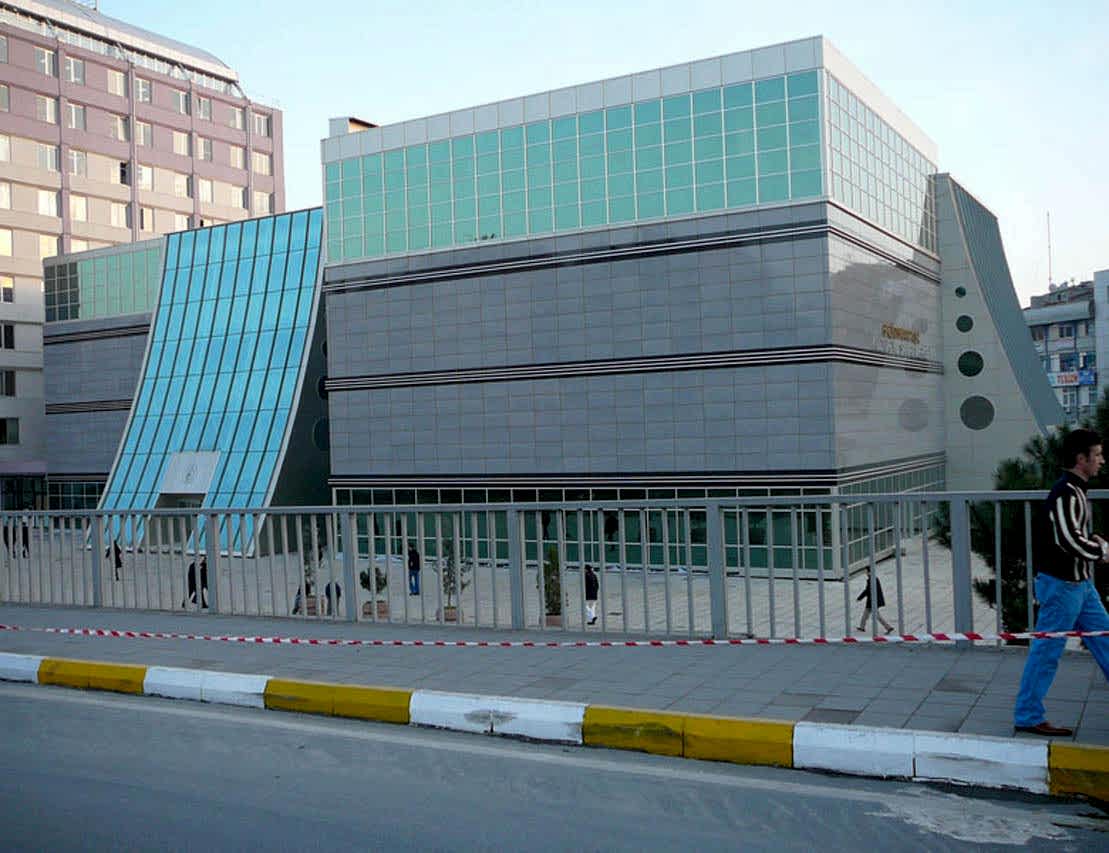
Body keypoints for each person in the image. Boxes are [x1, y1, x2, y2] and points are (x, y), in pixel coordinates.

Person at [1014, 428, 1109, 736]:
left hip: (1080, 586)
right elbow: (1068, 540)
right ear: (1081, 459)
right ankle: (1028, 716)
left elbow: (1073, 536)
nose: (1102, 461)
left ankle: (1028, 713)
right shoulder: (1066, 492)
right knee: (1046, 652)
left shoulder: (1075, 490)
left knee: (1106, 640)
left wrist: (1093, 544)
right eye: (1097, 455)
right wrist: (1101, 550)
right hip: (1062, 587)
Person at [856, 566, 894, 634]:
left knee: (876, 615)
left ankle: (888, 627)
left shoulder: (872, 580)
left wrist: (860, 598)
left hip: (873, 601)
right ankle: (862, 627)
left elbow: (867, 591)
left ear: (869, 572)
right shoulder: (874, 579)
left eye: (866, 571)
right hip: (872, 601)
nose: (865, 573)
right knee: (865, 614)